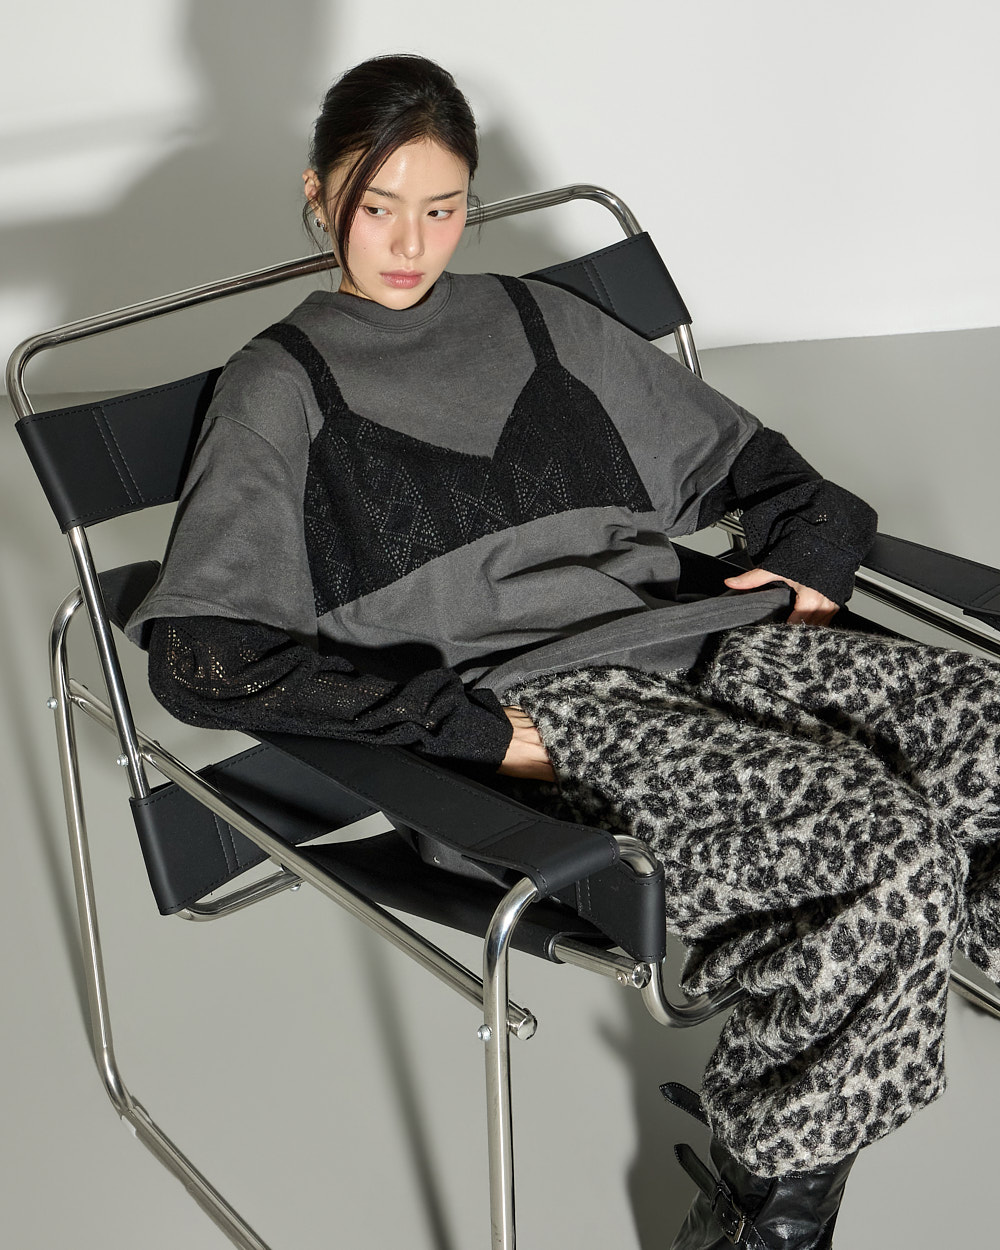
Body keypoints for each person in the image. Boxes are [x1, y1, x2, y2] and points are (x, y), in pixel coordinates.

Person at [127, 53, 1000, 1249]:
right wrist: (467, 730)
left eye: (442, 208)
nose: (411, 242)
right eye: (378, 206)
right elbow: (201, 657)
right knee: (885, 843)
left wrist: (806, 559)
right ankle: (763, 1200)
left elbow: (767, 472)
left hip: (698, 633)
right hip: (550, 710)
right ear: (320, 193)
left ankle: (895, 969)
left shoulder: (536, 318)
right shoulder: (280, 389)